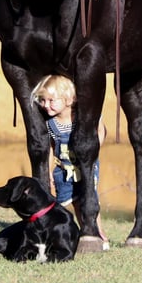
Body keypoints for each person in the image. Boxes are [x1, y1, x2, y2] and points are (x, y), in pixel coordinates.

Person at [31, 73, 109, 250]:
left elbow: (100, 131)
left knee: (89, 198)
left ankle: (97, 231)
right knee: (68, 201)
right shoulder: (51, 123)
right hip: (63, 169)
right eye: (43, 100)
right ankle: (81, 230)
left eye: (51, 100)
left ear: (68, 99)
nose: (46, 105)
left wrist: (93, 151)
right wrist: (49, 171)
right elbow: (51, 148)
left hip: (85, 167)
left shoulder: (82, 117)